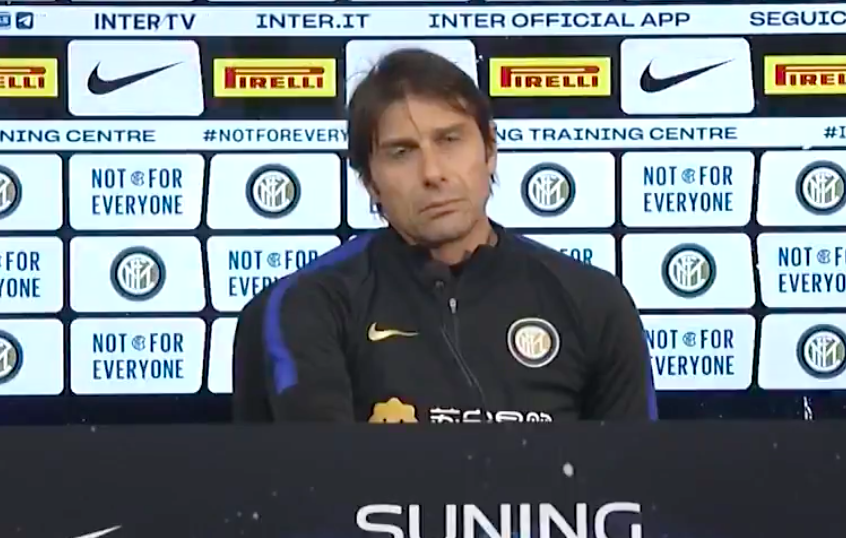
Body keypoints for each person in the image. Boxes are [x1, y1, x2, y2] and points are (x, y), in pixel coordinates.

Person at [232, 48, 658, 423]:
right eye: (402, 152)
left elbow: (635, 476)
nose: (433, 173)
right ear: (370, 182)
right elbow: (316, 477)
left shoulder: (593, 301)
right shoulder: (309, 305)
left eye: (450, 140)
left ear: (490, 150)